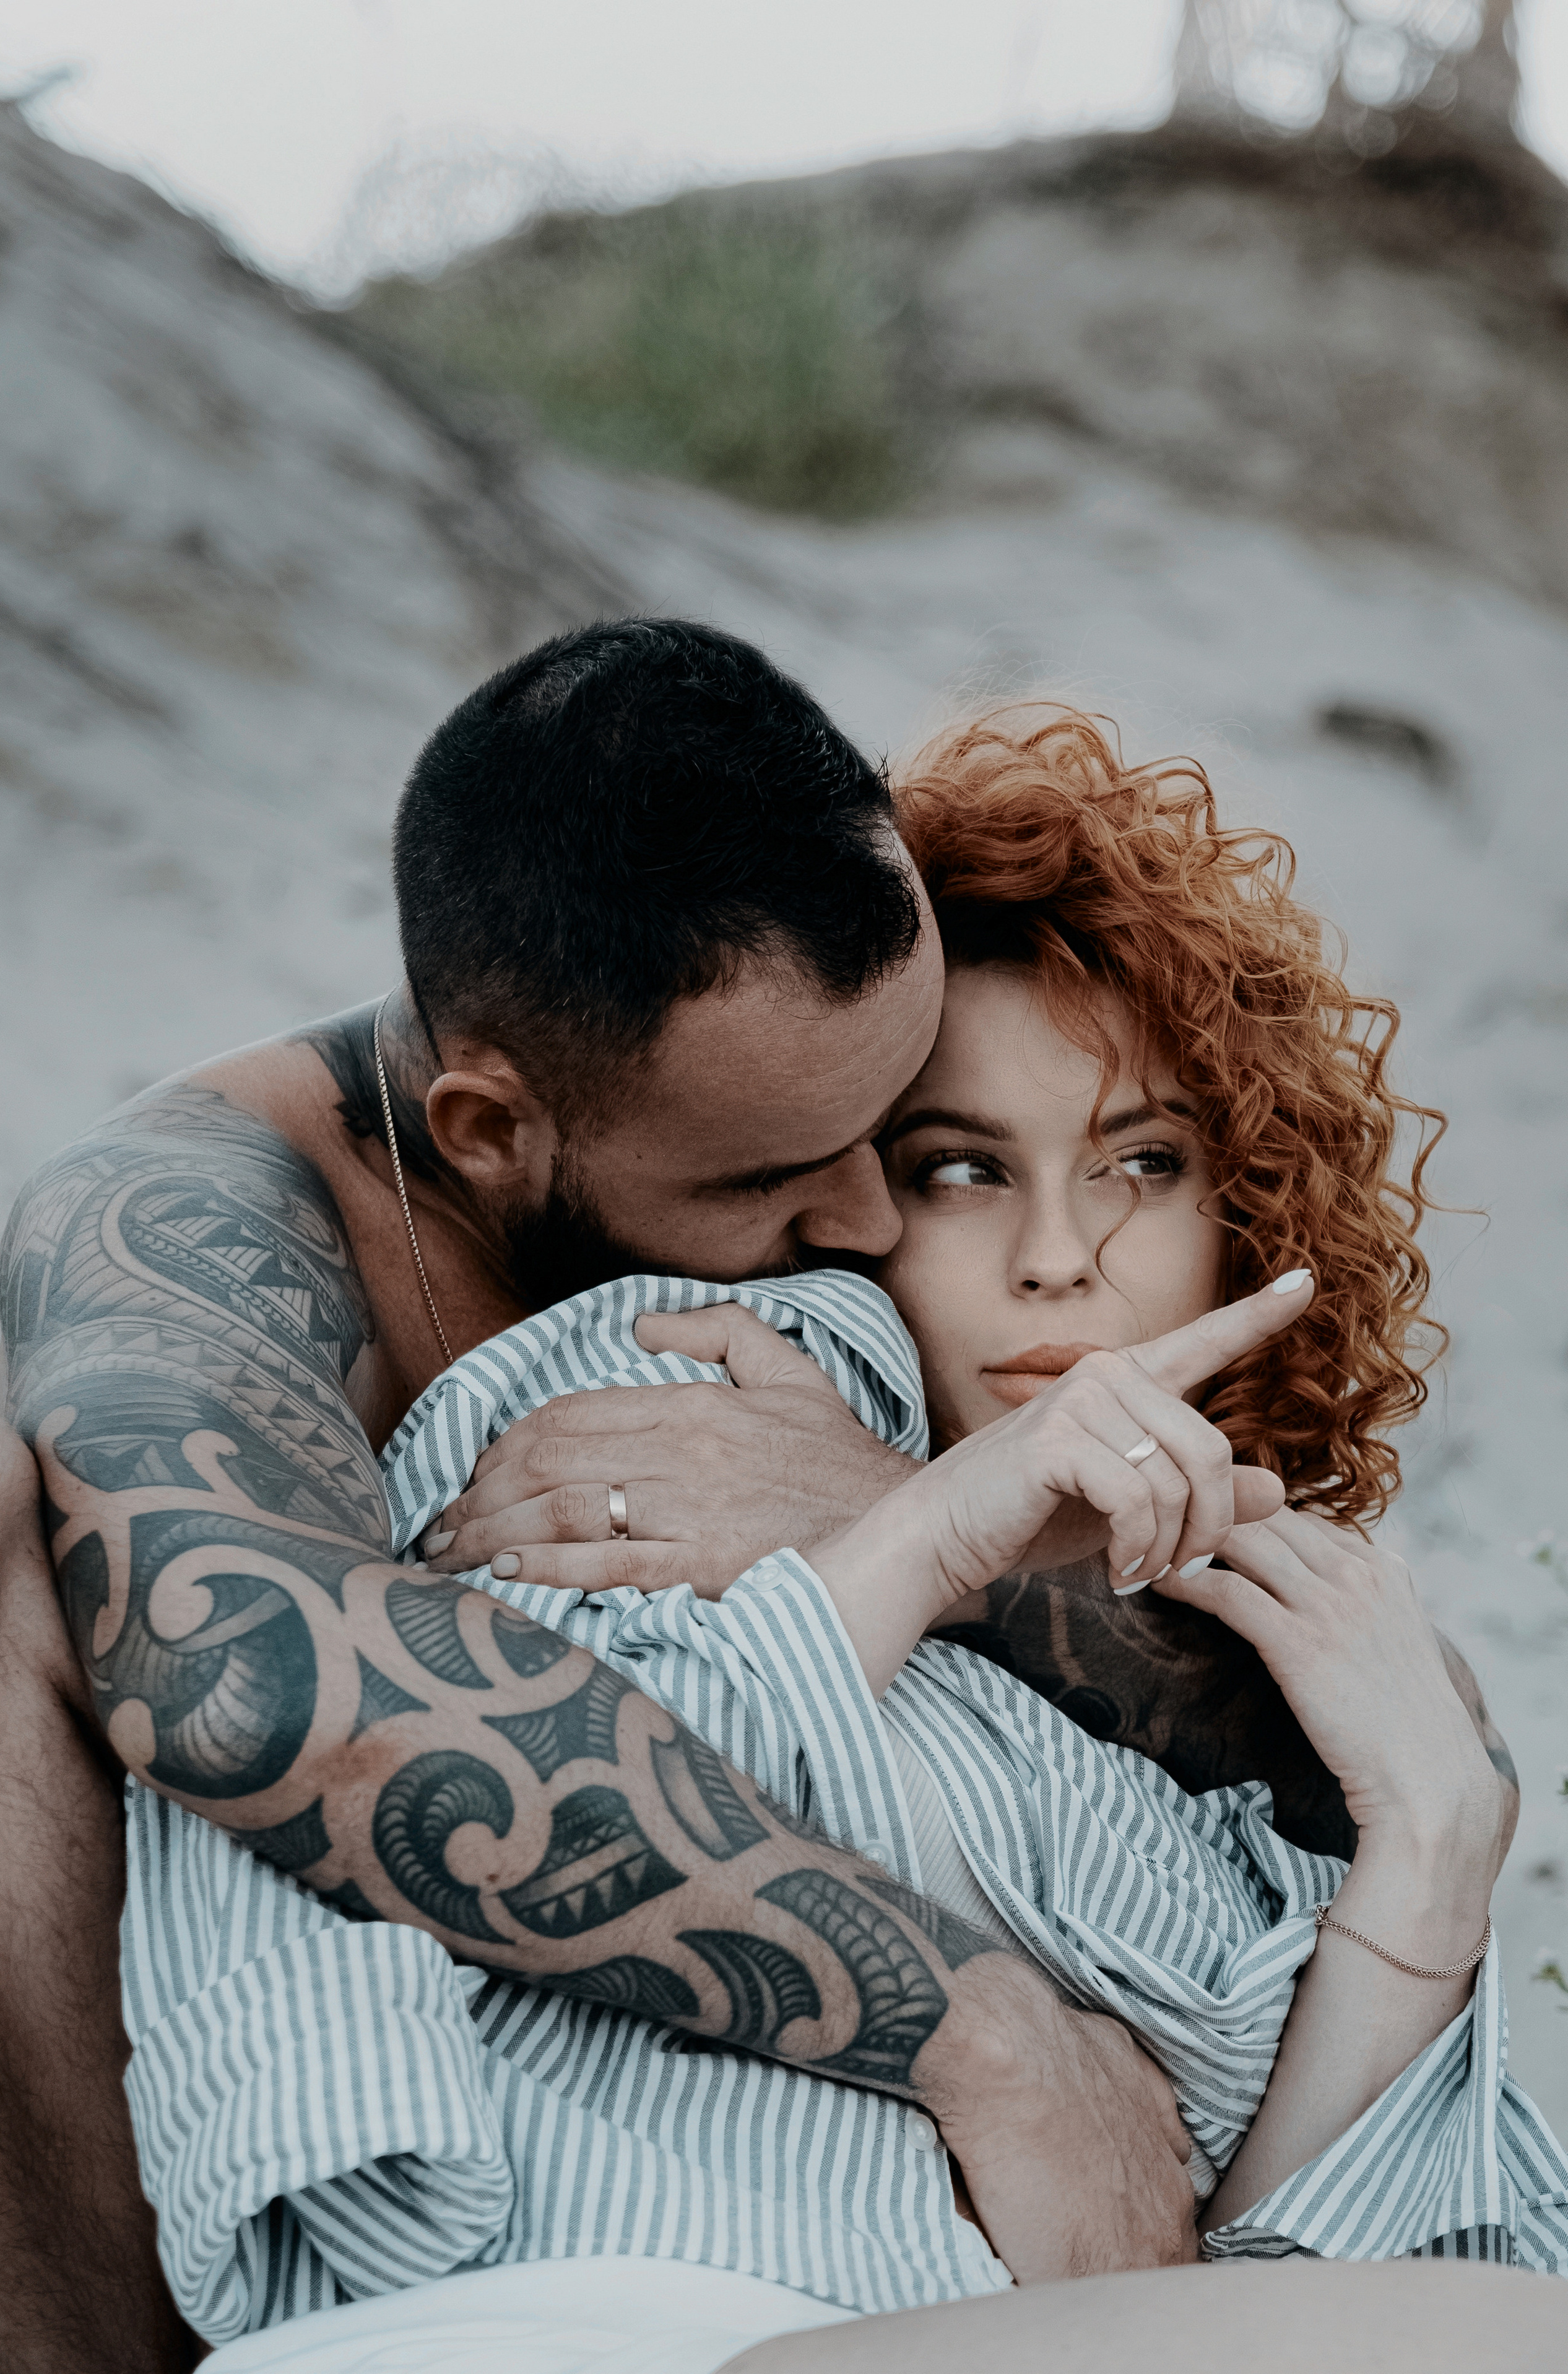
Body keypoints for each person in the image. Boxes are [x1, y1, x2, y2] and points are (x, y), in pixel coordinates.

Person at [119, 710, 1560, 2359]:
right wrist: (913, 1541)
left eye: (1142, 1161)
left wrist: (1432, 1856)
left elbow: (1255, 2279)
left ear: (1249, 1207)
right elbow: (439, 1811)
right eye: (961, 1171)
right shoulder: (667, 1391)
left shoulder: (1261, 1697)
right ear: (845, 1184)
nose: (1056, 1257)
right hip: (601, 2314)